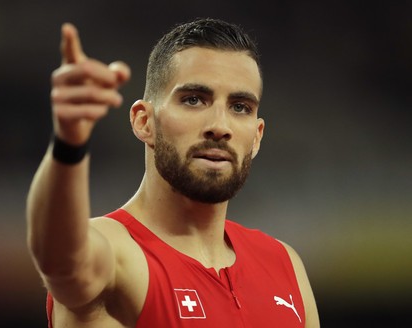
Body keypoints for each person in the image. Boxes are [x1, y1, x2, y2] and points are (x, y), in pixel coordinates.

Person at [26, 17, 320, 327]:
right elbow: (59, 259)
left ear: (257, 136)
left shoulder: (284, 264)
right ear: (144, 121)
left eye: (240, 107)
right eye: (194, 100)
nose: (220, 126)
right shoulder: (116, 253)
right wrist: (68, 142)